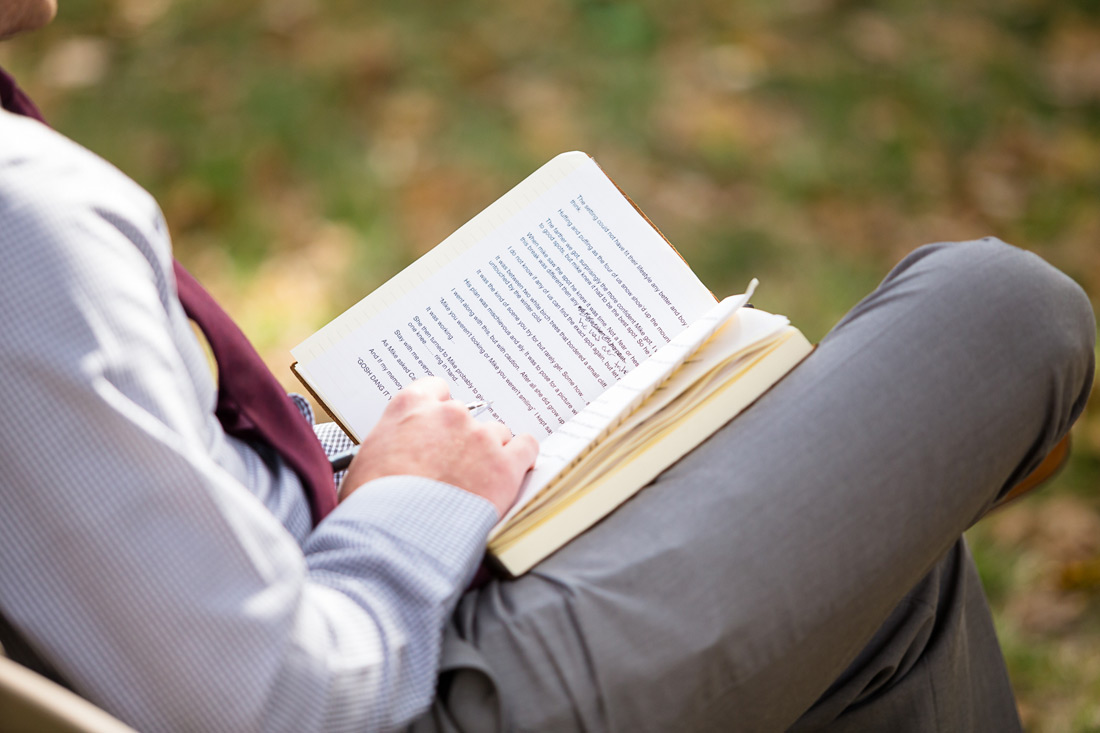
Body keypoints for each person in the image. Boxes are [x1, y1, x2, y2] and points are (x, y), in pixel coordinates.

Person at [0, 2, 1094, 731]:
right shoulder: (26, 217)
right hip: (416, 693)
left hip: (330, 620)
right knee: (998, 310)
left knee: (894, 596)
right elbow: (278, 703)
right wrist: (412, 505)